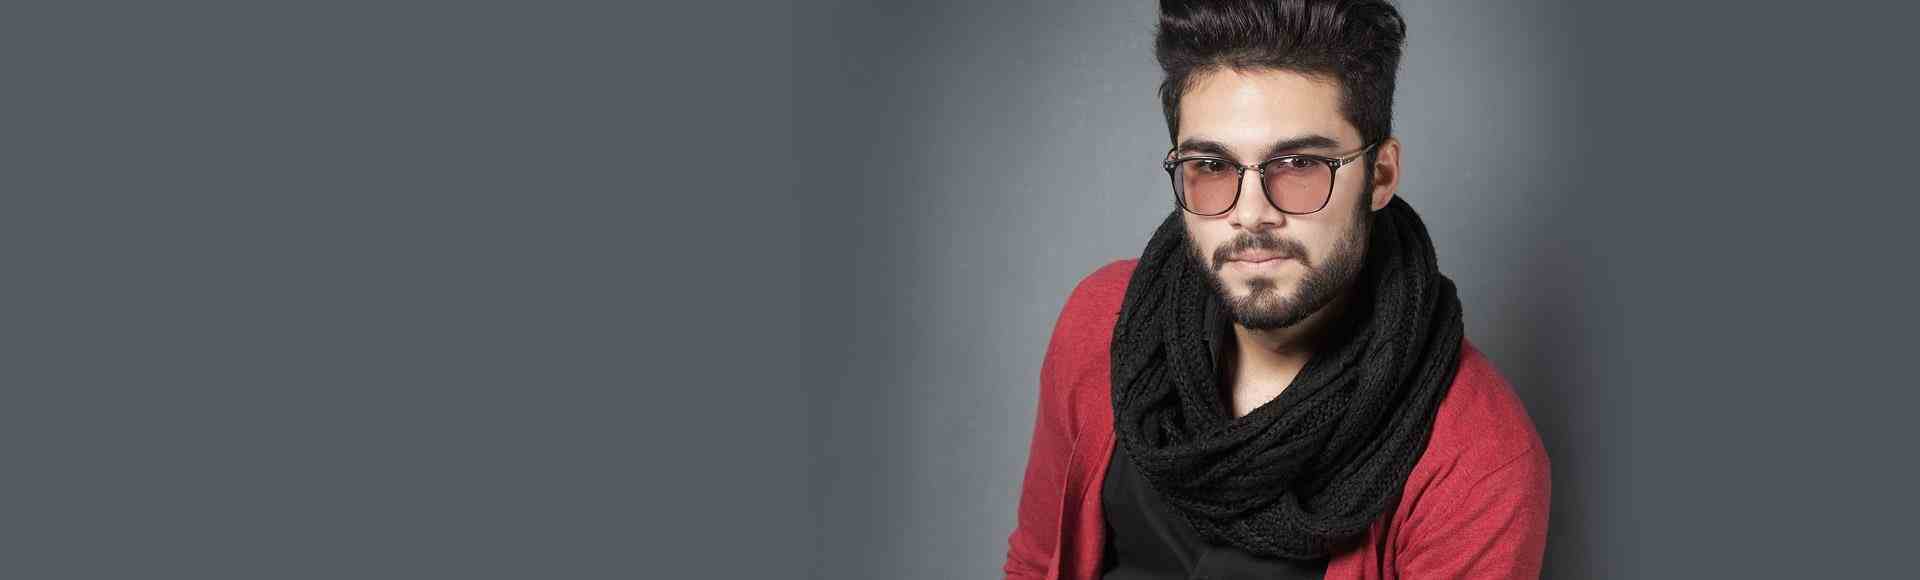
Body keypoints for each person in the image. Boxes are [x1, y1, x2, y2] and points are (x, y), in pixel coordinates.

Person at [1002, 1, 1550, 578]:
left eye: (1298, 163)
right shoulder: (1100, 322)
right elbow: (1035, 564)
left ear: (1380, 175)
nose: (1250, 213)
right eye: (1212, 165)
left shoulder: (1477, 459)